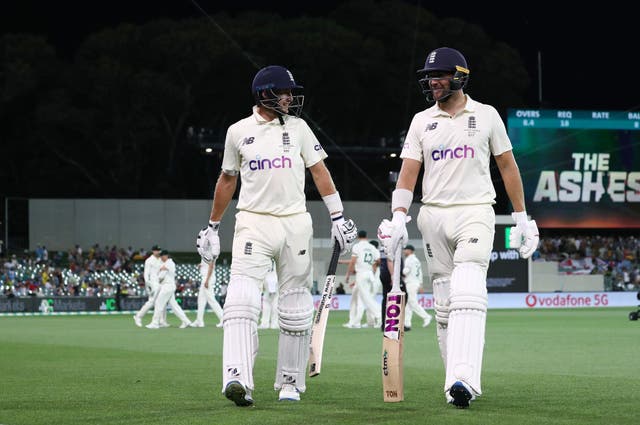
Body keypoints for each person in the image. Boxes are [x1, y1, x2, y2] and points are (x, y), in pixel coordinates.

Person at [377, 47, 539, 408]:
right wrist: (399, 215)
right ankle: (454, 384)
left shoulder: (486, 115)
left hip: (475, 210)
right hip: (433, 215)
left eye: (440, 75)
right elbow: (408, 172)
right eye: (429, 76)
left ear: (460, 76)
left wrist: (521, 216)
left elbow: (508, 167)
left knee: (468, 290)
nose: (433, 81)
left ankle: (464, 377)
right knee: (446, 305)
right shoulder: (422, 121)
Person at [196, 65, 358, 407]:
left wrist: (338, 215)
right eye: (283, 92)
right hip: (253, 222)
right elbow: (227, 180)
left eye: (290, 92)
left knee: (296, 306)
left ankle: (289, 382)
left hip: (295, 223)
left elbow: (319, 170)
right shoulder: (238, 131)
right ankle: (236, 377)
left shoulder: (299, 128)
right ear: (264, 94)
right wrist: (212, 226)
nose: (289, 98)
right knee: (240, 299)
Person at [343, 230, 381, 328]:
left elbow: (353, 262)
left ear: (358, 237)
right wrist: (372, 269)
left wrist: (348, 274)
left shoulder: (357, 246)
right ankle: (352, 320)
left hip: (361, 274)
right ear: (366, 236)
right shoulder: (372, 247)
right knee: (355, 297)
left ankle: (378, 316)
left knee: (363, 298)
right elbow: (378, 261)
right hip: (369, 274)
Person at [146, 250, 193, 329]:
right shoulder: (167, 263)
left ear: (166, 256)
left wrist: (157, 275)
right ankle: (186, 321)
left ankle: (155, 323)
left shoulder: (169, 263)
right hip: (169, 286)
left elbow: (161, 276)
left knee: (158, 303)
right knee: (174, 306)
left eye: (162, 256)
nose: (161, 257)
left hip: (167, 286)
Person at [133, 245, 168, 327]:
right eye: (157, 250)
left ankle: (162, 321)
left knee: (162, 301)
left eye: (159, 250)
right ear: (153, 251)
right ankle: (138, 316)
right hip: (153, 283)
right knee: (152, 302)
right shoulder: (149, 260)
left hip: (160, 283)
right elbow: (146, 273)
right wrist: (147, 285)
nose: (159, 252)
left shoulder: (161, 259)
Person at [402, 244, 432, 330]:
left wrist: (400, 273)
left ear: (410, 251)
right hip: (415, 282)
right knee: (407, 303)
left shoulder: (409, 259)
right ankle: (407, 324)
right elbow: (420, 273)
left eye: (406, 250)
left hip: (410, 283)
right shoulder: (416, 260)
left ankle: (426, 316)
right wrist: (421, 284)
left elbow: (405, 271)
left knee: (412, 302)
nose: (404, 251)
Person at [191, 259, 224, 328]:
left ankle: (223, 319)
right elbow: (207, 265)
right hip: (205, 278)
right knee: (201, 301)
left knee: (211, 300)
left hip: (208, 279)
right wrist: (201, 266)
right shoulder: (204, 254)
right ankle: (199, 321)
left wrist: (207, 280)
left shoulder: (209, 254)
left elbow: (211, 267)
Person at [259, 259, 279, 329]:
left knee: (275, 309)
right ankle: (264, 323)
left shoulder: (277, 273)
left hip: (276, 293)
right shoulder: (265, 273)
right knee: (266, 309)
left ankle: (275, 324)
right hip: (267, 293)